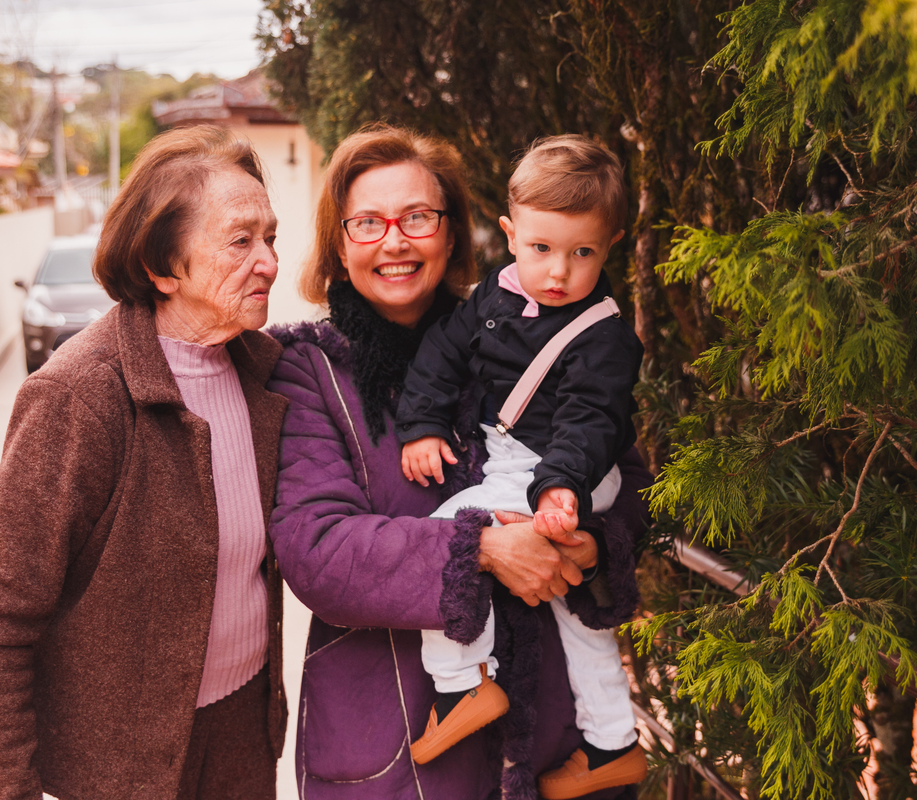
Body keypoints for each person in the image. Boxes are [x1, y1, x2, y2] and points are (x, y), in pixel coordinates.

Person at [268, 124, 652, 800]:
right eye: (367, 223)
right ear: (337, 241)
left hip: (548, 740)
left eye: (418, 217)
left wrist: (586, 547)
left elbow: (624, 481)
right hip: (393, 741)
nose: (395, 240)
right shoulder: (308, 370)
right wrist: (484, 550)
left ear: (453, 233)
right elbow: (316, 549)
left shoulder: (523, 330)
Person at [0, 126, 288, 800]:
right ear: (165, 269)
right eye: (240, 240)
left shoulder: (264, 372)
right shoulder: (79, 396)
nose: (270, 263)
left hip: (242, 741)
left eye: (271, 237)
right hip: (122, 767)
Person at [395, 135, 646, 797]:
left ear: (610, 244)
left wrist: (560, 486)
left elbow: (593, 419)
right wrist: (421, 425)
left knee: (447, 535)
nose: (558, 271)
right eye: (541, 249)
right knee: (576, 611)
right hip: (532, 467)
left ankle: (460, 685)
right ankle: (613, 740)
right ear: (510, 235)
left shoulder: (604, 334)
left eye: (581, 252)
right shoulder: (492, 298)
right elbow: (441, 359)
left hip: (561, 468)